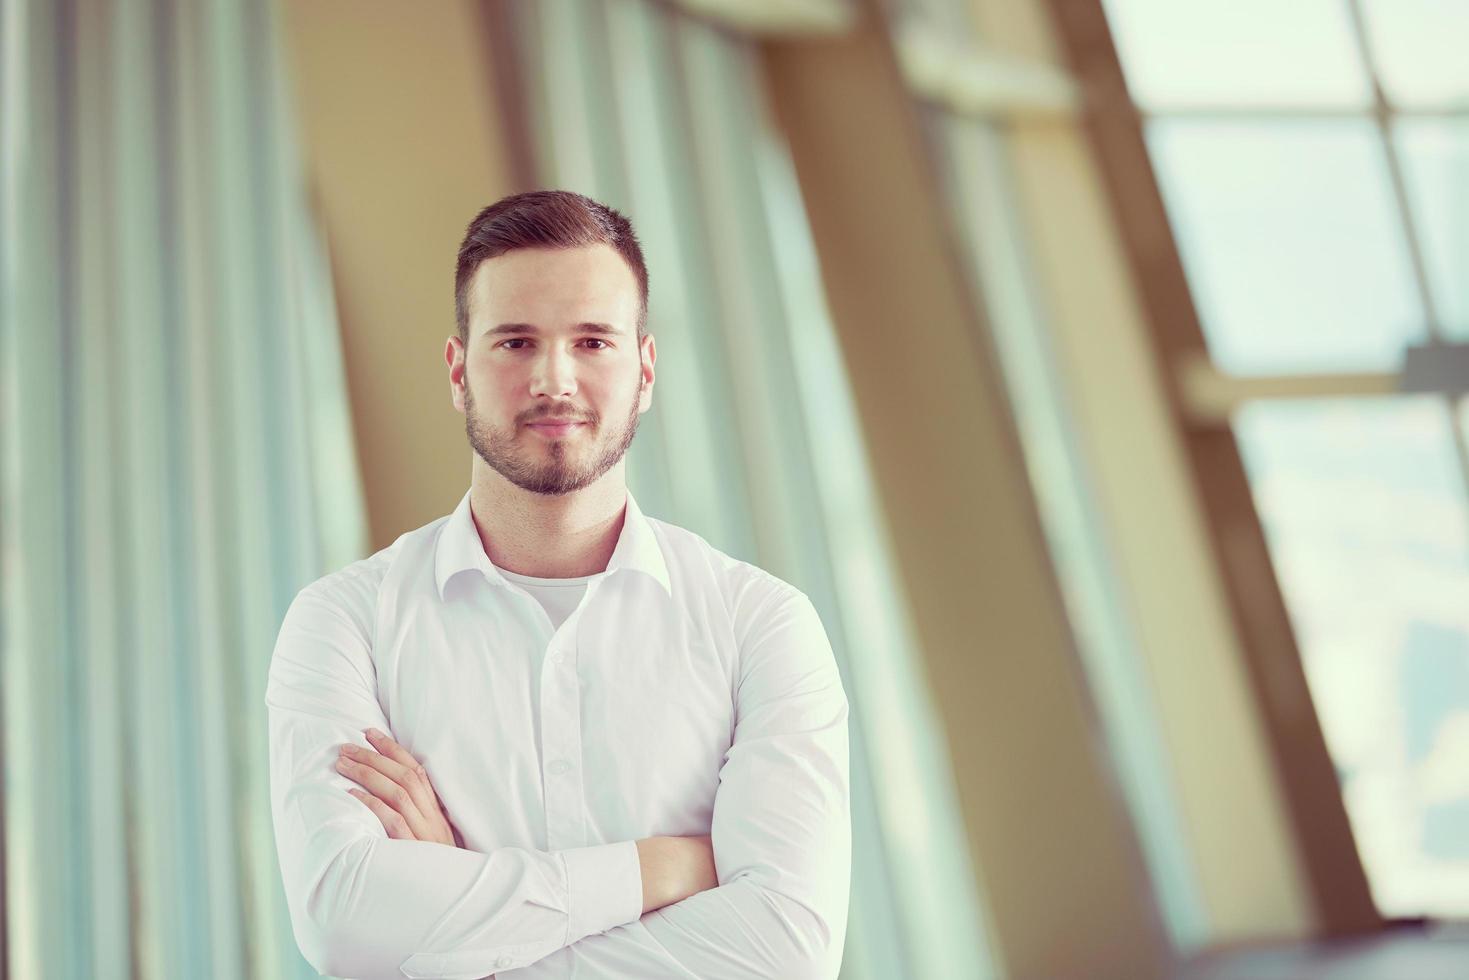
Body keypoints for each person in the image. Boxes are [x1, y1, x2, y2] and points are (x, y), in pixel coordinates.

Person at [265, 190, 852, 979]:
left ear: (644, 369)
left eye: (591, 341)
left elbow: (783, 950)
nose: (554, 379)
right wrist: (659, 869)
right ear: (457, 370)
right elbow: (342, 920)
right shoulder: (345, 624)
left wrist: (460, 934)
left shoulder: (761, 624)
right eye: (513, 342)